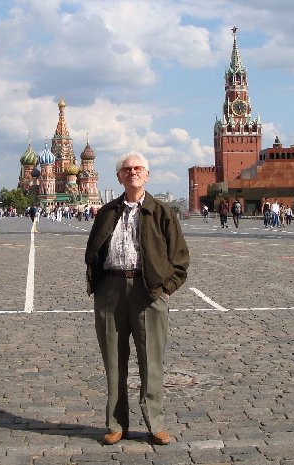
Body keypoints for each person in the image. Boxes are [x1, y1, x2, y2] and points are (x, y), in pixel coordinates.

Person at [85, 151, 189, 446]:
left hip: (149, 292)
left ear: (147, 175)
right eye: (127, 169)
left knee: (151, 361)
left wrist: (165, 288)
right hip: (111, 290)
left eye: (138, 168)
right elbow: (92, 249)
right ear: (119, 177)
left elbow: (180, 258)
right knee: (114, 362)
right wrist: (99, 287)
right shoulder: (107, 212)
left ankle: (155, 423)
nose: (132, 172)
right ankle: (116, 423)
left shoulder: (161, 212)